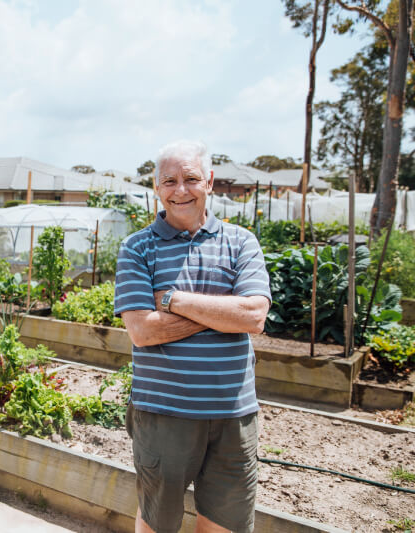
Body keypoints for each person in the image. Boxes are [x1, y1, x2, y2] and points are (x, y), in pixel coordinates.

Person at [114, 140, 271, 533]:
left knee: (226, 524)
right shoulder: (136, 248)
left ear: (210, 182)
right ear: (156, 186)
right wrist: (223, 312)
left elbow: (254, 315)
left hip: (233, 414)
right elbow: (143, 331)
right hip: (163, 413)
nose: (179, 189)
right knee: (157, 521)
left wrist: (171, 299)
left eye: (191, 179)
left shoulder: (241, 242)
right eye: (169, 180)